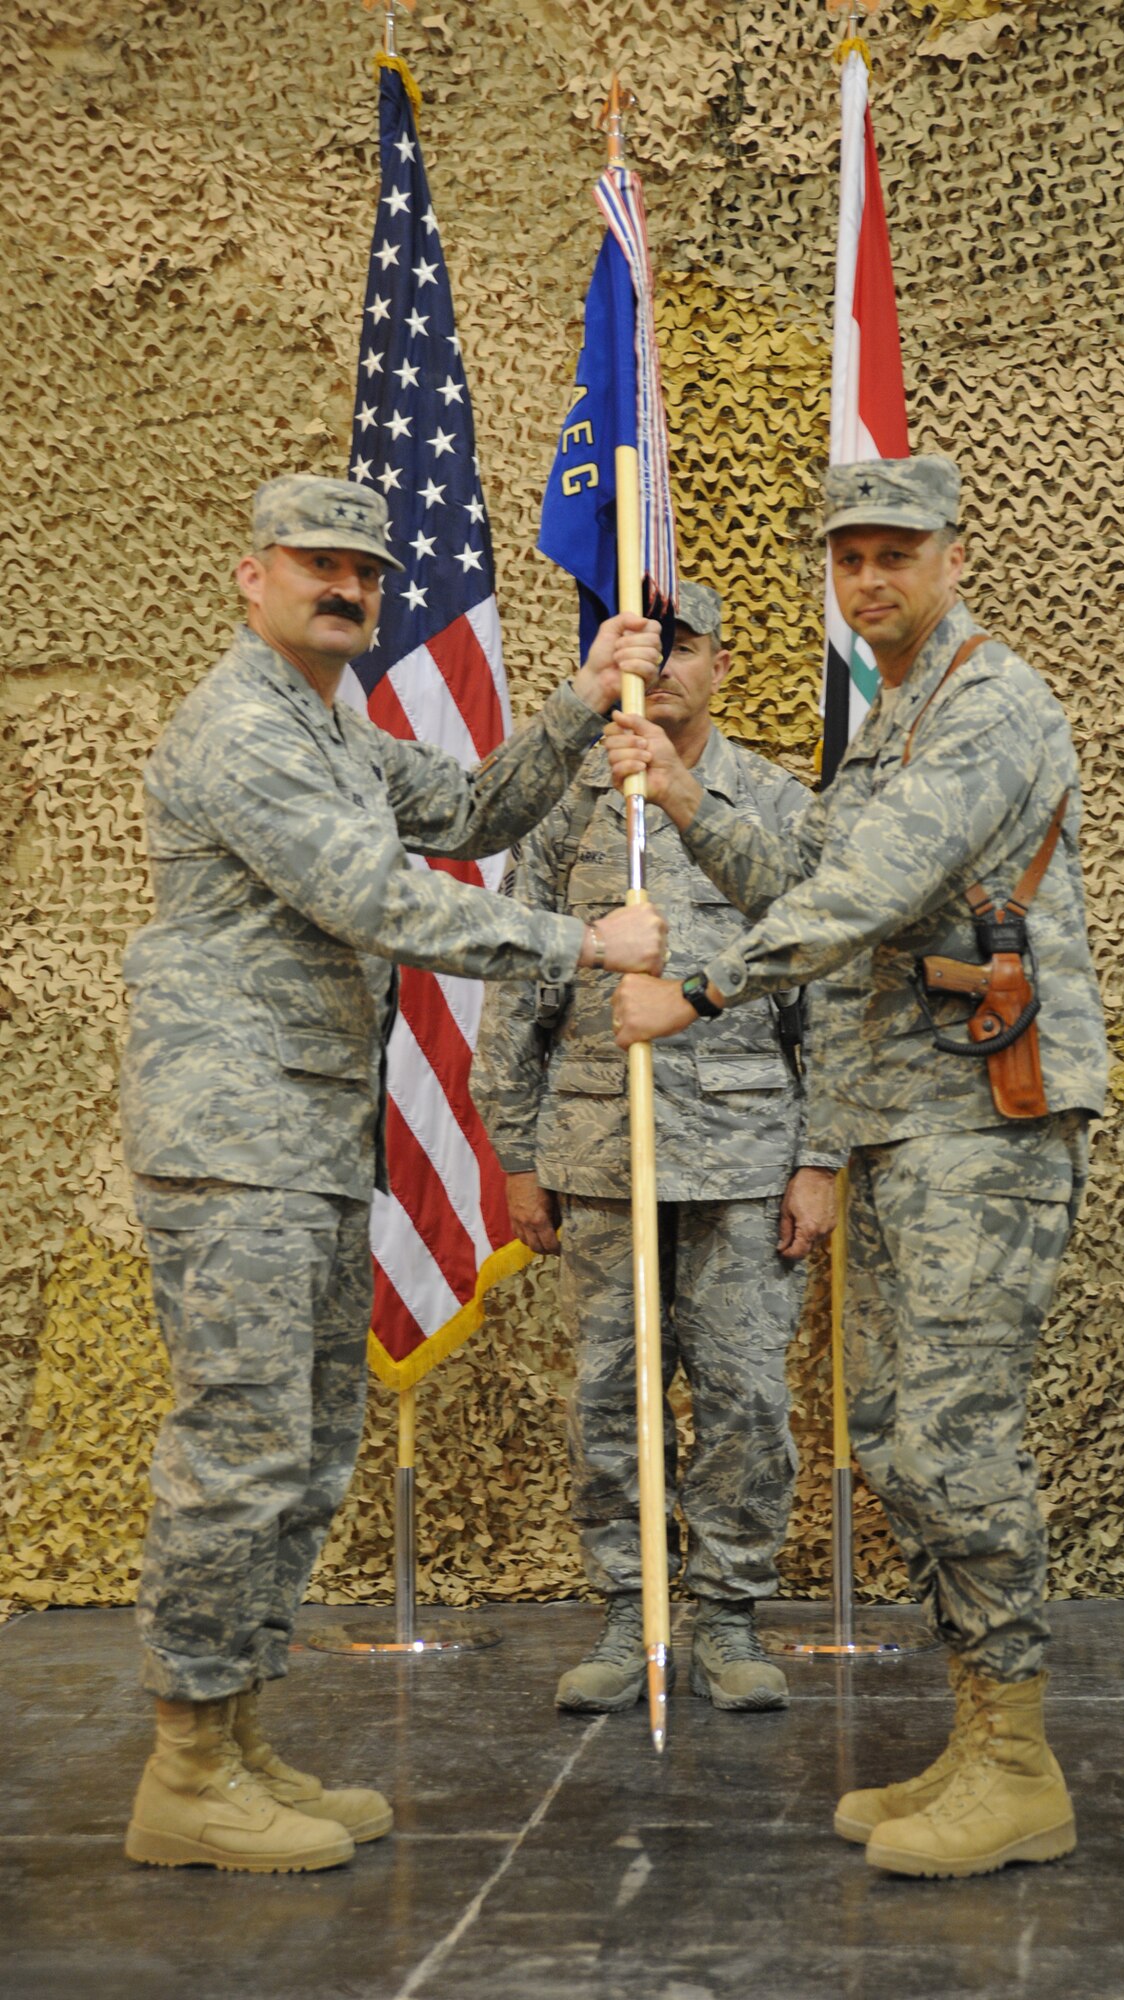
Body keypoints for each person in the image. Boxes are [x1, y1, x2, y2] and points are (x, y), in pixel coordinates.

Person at [120, 474, 667, 1874]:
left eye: (364, 567)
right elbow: (372, 897)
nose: (347, 585)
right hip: (233, 1142)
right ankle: (183, 1766)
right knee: (241, 1450)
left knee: (298, 1453)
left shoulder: (338, 733)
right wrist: (576, 948)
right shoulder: (243, 728)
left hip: (299, 1141)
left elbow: (477, 810)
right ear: (253, 578)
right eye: (316, 563)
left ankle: (233, 1734)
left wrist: (580, 693)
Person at [606, 456, 1107, 1880]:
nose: (869, 579)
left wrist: (695, 991)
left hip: (985, 1126)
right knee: (891, 1437)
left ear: (955, 557)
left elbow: (867, 894)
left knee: (953, 1444)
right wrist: (688, 795)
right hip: (904, 1119)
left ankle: (1022, 1765)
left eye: (895, 552)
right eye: (847, 558)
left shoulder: (988, 710)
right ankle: (978, 1734)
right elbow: (799, 866)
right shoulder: (891, 718)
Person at [473, 582, 840, 1717]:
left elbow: (827, 989)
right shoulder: (563, 802)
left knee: (740, 1395)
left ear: (721, 666)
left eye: (685, 646)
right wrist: (515, 1149)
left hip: (742, 1151)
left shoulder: (775, 803)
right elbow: (514, 983)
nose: (663, 664)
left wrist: (820, 1156)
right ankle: (627, 1609)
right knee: (609, 1393)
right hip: (595, 1148)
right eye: (643, 642)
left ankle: (726, 1614)